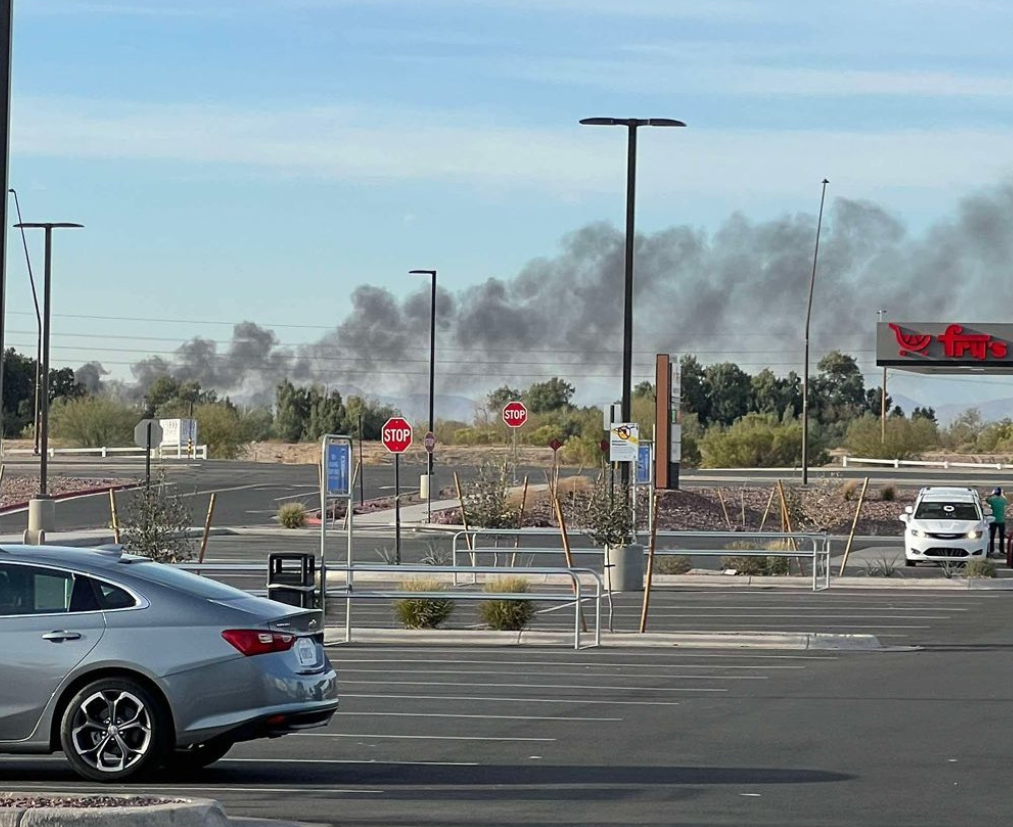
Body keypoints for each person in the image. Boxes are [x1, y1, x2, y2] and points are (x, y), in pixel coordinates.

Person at [986, 487, 1007, 558]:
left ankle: (991, 550)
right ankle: (1002, 550)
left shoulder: (991, 499)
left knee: (992, 536)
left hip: (993, 520)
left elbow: (986, 500)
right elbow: (1006, 502)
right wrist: (1003, 495)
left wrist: (991, 495)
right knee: (1001, 536)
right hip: (1001, 520)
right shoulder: (1003, 500)